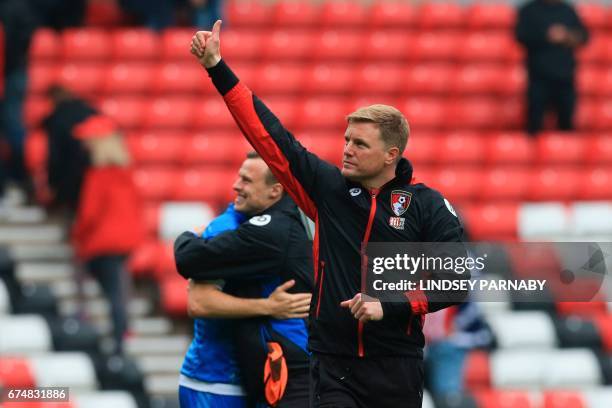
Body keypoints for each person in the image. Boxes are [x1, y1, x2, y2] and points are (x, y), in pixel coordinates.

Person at [189, 21, 469, 408]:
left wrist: (388, 305)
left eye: (360, 143)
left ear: (392, 154)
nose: (347, 150)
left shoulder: (428, 205)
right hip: (331, 363)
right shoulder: (329, 190)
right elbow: (269, 136)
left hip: (396, 367)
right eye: (346, 141)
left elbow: (456, 282)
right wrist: (218, 67)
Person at [175, 152, 313, 408]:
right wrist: (268, 307)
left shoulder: (274, 226)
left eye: (247, 180)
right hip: (216, 379)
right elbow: (199, 302)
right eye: (239, 177)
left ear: (275, 191)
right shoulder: (227, 227)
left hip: (259, 375)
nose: (236, 185)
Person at [71, 114, 144, 354]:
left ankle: (118, 341)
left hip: (102, 242)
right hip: (125, 240)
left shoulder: (98, 175)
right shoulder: (126, 172)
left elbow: (89, 213)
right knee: (117, 290)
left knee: (112, 292)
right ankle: (120, 334)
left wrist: (77, 235)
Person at [515, 0, 589, 135]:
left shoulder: (568, 10)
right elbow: (520, 36)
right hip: (538, 77)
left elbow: (584, 37)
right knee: (534, 123)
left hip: (565, 77)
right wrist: (546, 35)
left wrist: (567, 36)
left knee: (566, 123)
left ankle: (566, 154)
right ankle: (533, 154)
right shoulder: (529, 10)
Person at [43, 85, 97, 211]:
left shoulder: (57, 118)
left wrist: (53, 183)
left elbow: (54, 155)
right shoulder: (90, 111)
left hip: (70, 175)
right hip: (92, 171)